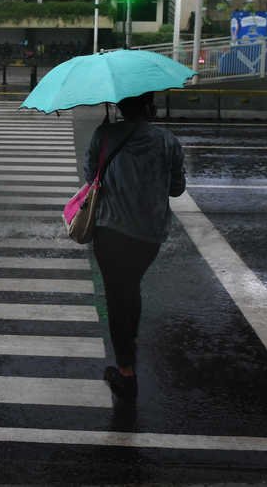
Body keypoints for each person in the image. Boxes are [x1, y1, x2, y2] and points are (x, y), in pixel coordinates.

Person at [83, 91, 186, 402]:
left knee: (117, 296)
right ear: (148, 106)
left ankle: (125, 372)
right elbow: (177, 189)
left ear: (120, 106)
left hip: (110, 231)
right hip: (149, 234)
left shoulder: (104, 135)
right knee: (131, 286)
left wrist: (106, 143)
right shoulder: (167, 140)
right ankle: (131, 340)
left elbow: (90, 178)